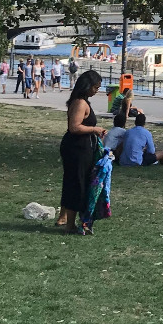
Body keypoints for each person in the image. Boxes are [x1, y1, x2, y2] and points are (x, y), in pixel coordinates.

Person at [57, 69, 107, 233]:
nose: (97, 90)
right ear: (87, 86)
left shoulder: (82, 101)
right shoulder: (80, 103)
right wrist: (94, 129)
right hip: (76, 148)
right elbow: (74, 127)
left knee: (77, 181)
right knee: (76, 183)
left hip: (82, 147)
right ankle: (69, 224)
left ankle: (69, 219)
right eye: (95, 87)